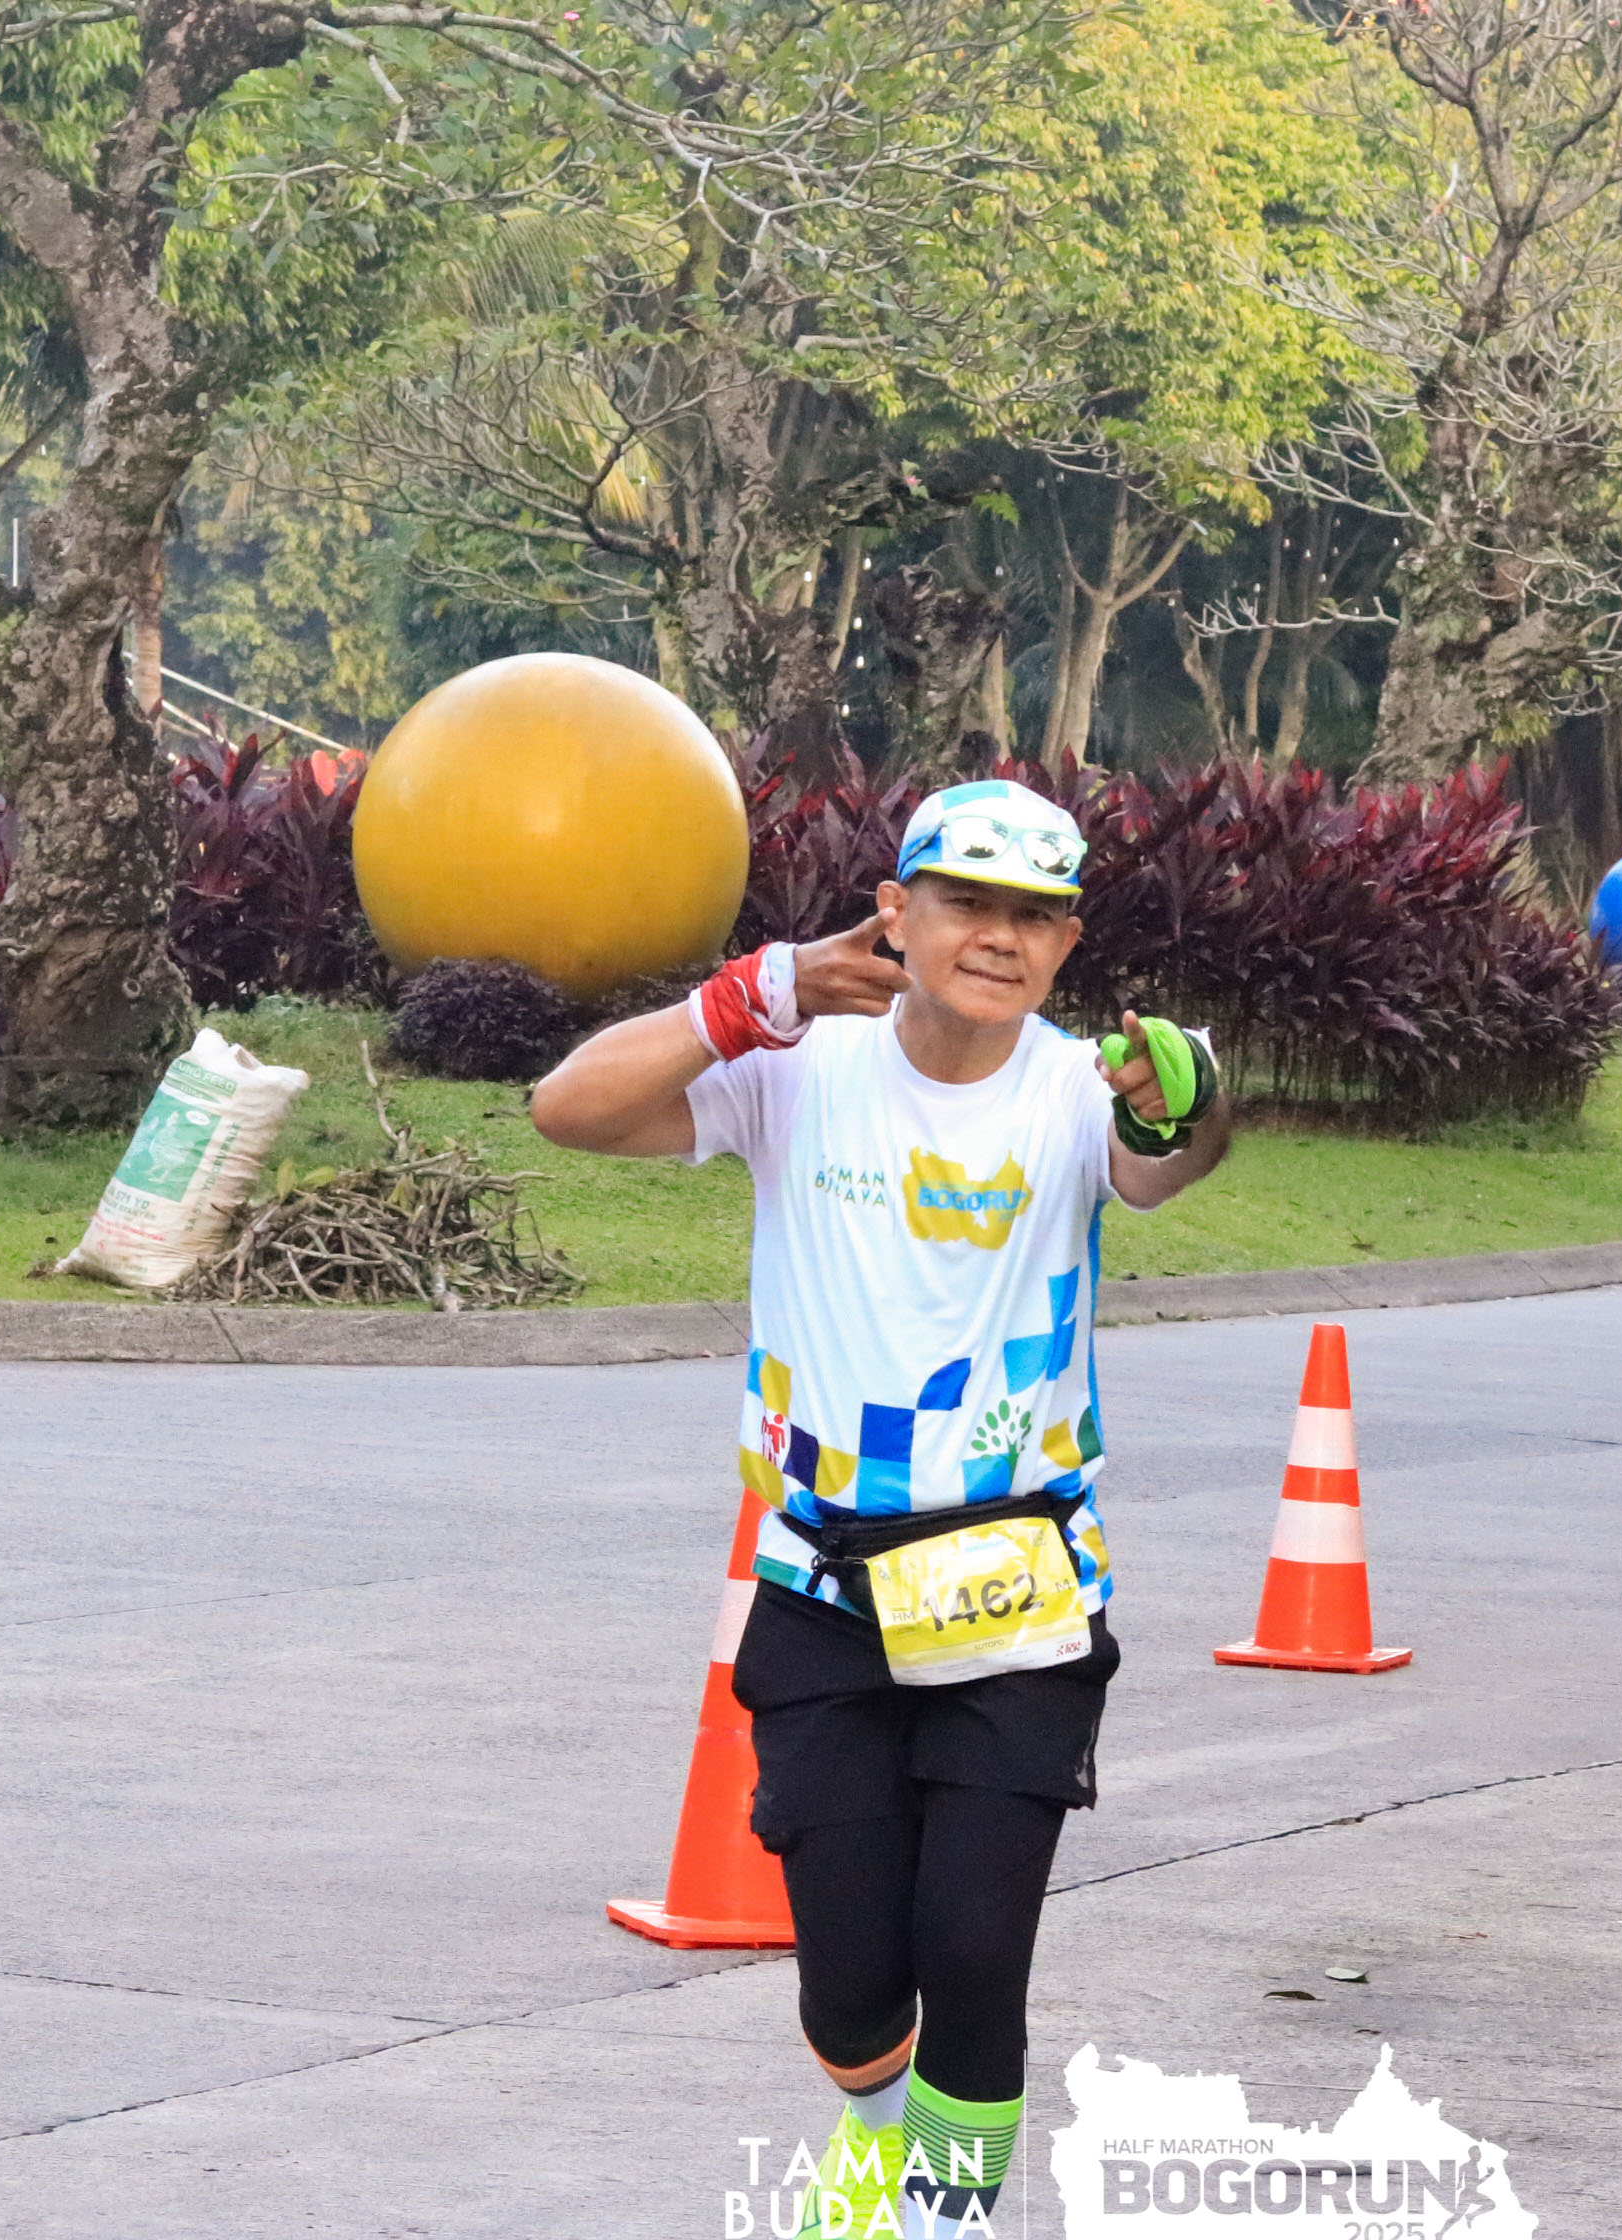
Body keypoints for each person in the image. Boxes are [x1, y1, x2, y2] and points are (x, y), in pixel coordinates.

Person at [531, 778, 1238, 2239]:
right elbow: (568, 1110)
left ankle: (944, 2218)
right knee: (850, 1983)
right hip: (823, 1583)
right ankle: (872, 2135)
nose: (999, 936)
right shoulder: (801, 1065)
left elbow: (1170, 1160)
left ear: (1067, 942)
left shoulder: (1072, 1091)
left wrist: (1190, 1097)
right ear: (896, 914)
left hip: (1020, 1582)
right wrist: (754, 995)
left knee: (973, 1948)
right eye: (967, 902)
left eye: (1035, 915)